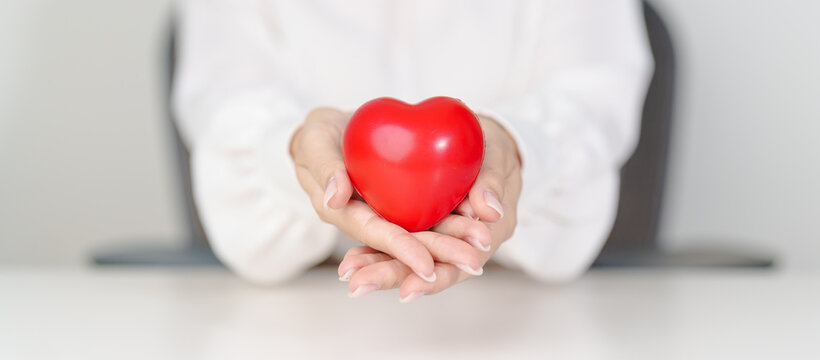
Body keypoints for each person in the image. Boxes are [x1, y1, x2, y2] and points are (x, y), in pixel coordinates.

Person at [173, 0, 653, 302]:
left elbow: (592, 102)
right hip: (302, 310)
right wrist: (296, 149)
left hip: (530, 312)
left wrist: (513, 148)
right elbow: (223, 109)